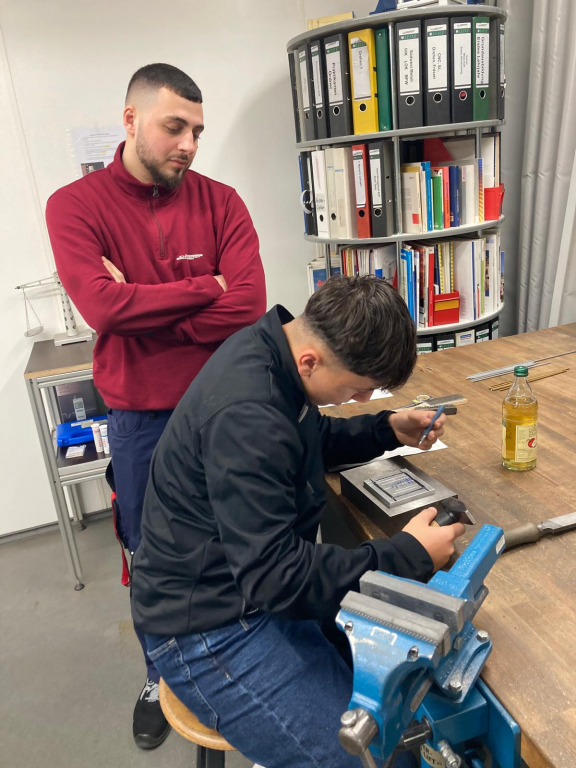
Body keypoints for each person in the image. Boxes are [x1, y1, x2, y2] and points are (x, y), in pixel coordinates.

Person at [131, 276, 465, 767]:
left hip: (250, 585)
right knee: (363, 758)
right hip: (207, 625)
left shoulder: (275, 353)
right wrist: (406, 555)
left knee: (402, 705)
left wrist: (384, 429)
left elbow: (307, 438)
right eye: (357, 389)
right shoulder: (247, 412)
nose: (360, 399)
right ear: (311, 361)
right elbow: (276, 577)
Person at [45, 63, 266, 749]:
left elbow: (249, 304)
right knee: (153, 557)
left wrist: (140, 304)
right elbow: (102, 308)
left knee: (239, 541)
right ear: (131, 119)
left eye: (198, 131)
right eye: (175, 127)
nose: (189, 144)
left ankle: (246, 659)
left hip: (226, 407)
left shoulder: (222, 202)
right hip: (142, 419)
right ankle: (160, 675)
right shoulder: (74, 207)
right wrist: (207, 286)